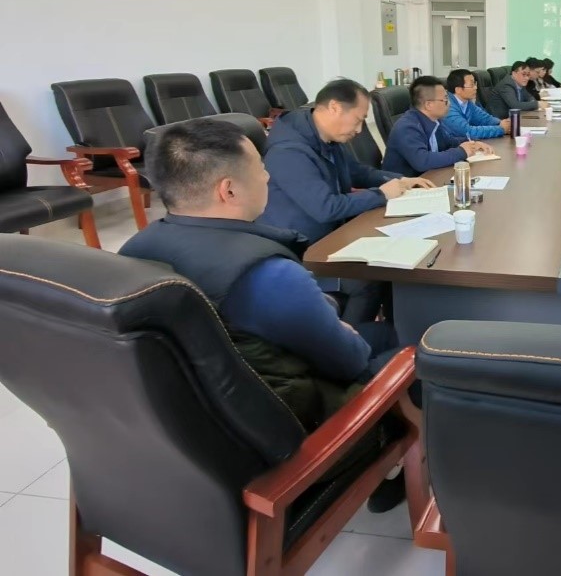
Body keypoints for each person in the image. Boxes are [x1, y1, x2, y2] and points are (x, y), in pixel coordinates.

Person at [119, 119, 408, 511]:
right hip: (289, 439)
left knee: (376, 333)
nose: (269, 176)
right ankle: (387, 469)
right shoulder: (266, 275)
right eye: (260, 168)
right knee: (411, 356)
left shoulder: (134, 250)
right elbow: (349, 361)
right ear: (229, 190)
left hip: (197, 435)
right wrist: (331, 322)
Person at [260, 78, 433, 325]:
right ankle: (350, 339)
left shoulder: (323, 136)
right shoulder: (289, 151)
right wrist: (382, 194)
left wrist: (401, 180)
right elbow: (326, 207)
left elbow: (356, 171)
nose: (360, 130)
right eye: (359, 119)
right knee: (369, 278)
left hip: (332, 234)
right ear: (334, 108)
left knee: (395, 261)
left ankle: (391, 331)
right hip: (302, 249)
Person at [383, 75, 493, 176]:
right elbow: (422, 161)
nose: (449, 104)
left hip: (430, 177)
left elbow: (449, 142)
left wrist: (472, 143)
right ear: (429, 104)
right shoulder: (407, 127)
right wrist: (461, 151)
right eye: (445, 100)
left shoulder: (434, 120)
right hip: (406, 185)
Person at [443, 68, 508, 139]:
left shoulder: (467, 103)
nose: (476, 87)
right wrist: (500, 129)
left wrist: (502, 123)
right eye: (472, 85)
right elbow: (468, 132)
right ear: (458, 90)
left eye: (475, 83)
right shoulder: (447, 107)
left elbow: (484, 118)